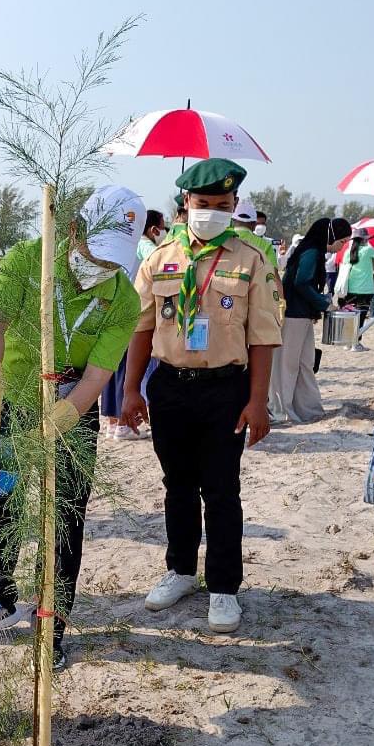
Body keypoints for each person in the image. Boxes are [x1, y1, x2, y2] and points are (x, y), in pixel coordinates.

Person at [0, 185, 145, 670]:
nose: (101, 269)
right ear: (72, 231)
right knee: (2, 501)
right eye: (94, 253)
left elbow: (96, 377)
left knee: (66, 517)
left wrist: (59, 423)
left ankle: (53, 625)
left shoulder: (124, 299)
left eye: (113, 261)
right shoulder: (29, 260)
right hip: (15, 398)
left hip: (73, 411)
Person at [121, 159, 282, 634]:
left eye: (223, 205)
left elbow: (263, 335)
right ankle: (181, 571)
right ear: (185, 204)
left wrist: (258, 400)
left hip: (225, 389)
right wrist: (130, 389)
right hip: (170, 385)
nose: (212, 212)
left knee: (221, 488)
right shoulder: (159, 257)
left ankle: (224, 588)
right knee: (177, 485)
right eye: (204, 204)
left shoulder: (252, 256)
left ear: (234, 206)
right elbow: (140, 327)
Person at [268, 217, 352, 423]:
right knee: (287, 365)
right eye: (341, 242)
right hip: (293, 315)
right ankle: (282, 411)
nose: (341, 247)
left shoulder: (314, 252)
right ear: (330, 236)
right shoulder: (311, 253)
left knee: (306, 363)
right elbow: (301, 283)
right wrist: (324, 304)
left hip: (302, 315)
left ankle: (309, 409)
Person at [102, 209, 165, 440]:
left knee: (111, 366)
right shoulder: (143, 244)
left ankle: (112, 422)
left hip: (112, 310)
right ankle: (122, 424)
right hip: (131, 313)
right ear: (152, 229)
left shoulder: (116, 246)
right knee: (126, 368)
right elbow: (160, 258)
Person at [336, 226, 374, 350]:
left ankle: (348, 342)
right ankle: (356, 342)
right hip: (365, 289)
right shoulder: (367, 250)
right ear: (364, 239)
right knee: (361, 316)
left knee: (350, 316)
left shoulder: (347, 252)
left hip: (350, 289)